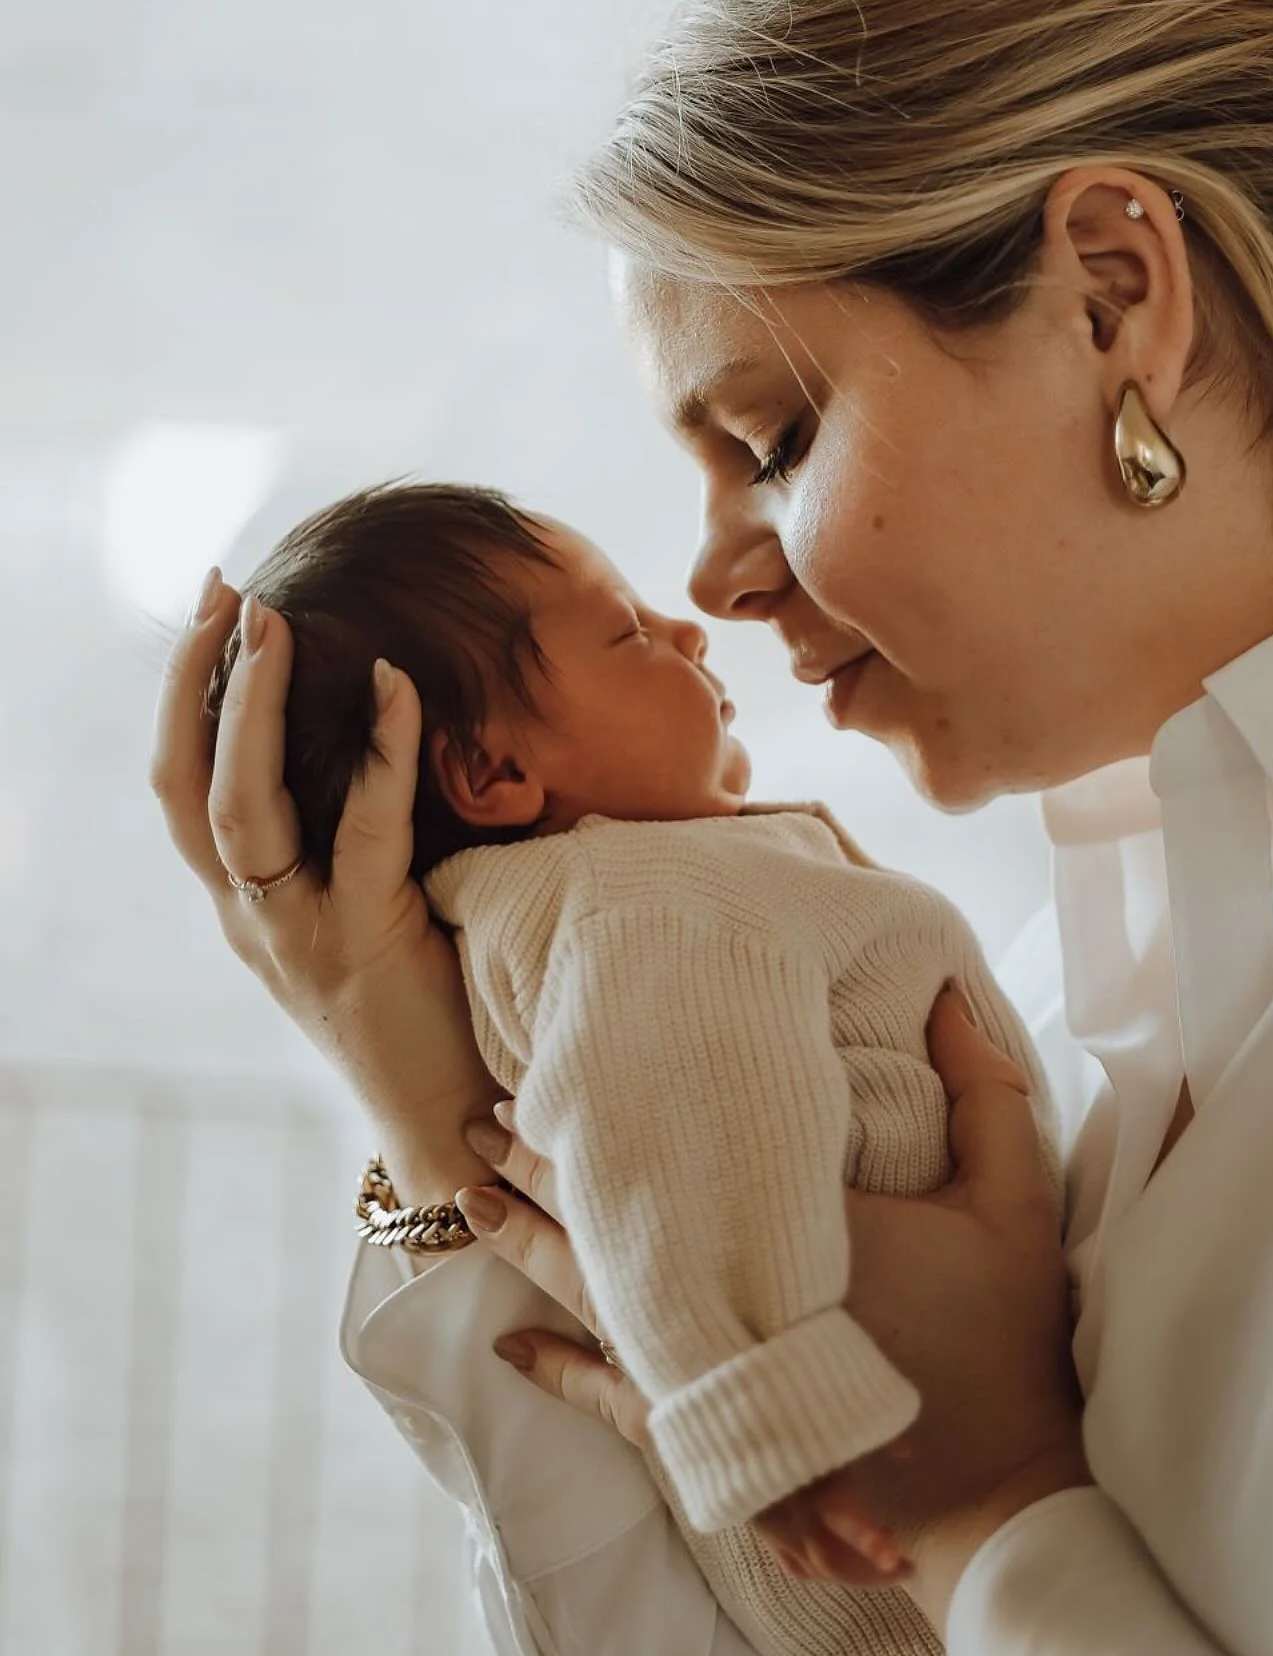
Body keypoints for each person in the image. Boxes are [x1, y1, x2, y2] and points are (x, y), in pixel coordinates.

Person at [152, 0, 1273, 1655]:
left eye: (776, 436)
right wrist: (432, 1113)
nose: (719, 583)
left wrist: (992, 1507)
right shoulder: (1052, 1011)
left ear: (1109, 296)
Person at [202, 479, 1059, 1655]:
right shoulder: (639, 903)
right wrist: (769, 1427)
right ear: (492, 776)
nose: (691, 626)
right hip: (895, 1511)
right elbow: (679, 1154)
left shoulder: (621, 904)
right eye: (629, 631)